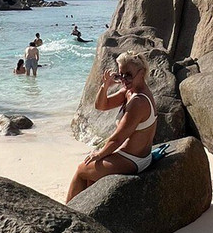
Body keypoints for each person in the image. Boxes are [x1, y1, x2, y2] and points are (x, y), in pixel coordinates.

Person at [66, 52, 157, 202]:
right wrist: (106, 85)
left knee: (82, 170)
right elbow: (101, 105)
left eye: (128, 75)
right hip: (130, 155)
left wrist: (100, 154)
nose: (124, 79)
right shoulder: (129, 92)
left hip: (133, 160)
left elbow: (118, 139)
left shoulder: (138, 102)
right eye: (121, 75)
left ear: (141, 73)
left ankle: (66, 212)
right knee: (90, 179)